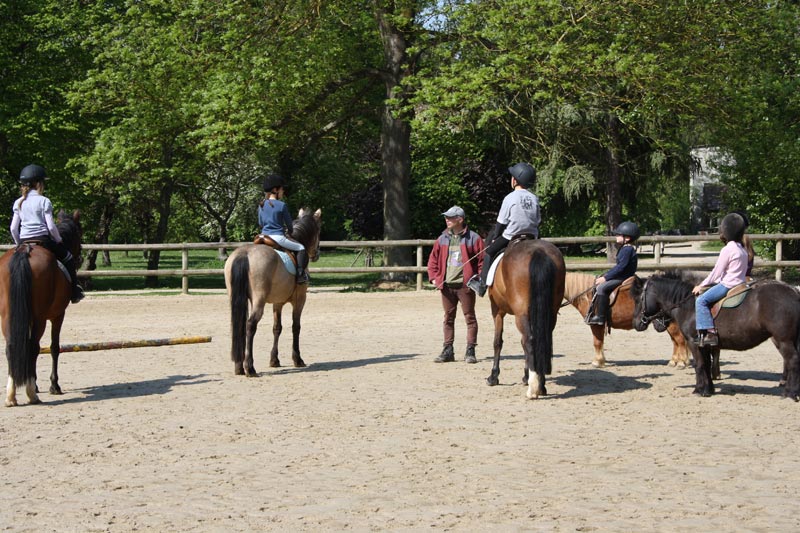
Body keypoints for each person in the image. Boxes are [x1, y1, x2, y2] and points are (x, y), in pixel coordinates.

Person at [10, 164, 83, 303]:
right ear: (38, 183)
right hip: (43, 240)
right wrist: (58, 239)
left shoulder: (18, 202)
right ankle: (75, 291)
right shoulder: (44, 201)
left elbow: (13, 228)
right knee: (68, 258)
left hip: (24, 240)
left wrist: (18, 243)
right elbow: (50, 226)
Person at [467, 162, 540, 297]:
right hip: (532, 236)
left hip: (511, 235)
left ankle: (482, 285)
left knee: (489, 251)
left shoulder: (510, 197)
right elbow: (537, 220)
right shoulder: (534, 198)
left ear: (515, 180)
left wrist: (496, 236)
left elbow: (501, 222)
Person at [427, 206, 485, 363]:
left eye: (451, 217)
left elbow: (482, 262)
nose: (447, 220)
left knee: (470, 317)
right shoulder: (442, 239)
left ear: (460, 219)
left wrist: (478, 279)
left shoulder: (474, 238)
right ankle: (448, 350)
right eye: (446, 217)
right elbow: (433, 260)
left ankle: (470, 351)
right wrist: (433, 277)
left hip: (465, 287)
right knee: (448, 318)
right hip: (446, 287)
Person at [691, 212, 749, 347]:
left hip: (728, 285)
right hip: (741, 283)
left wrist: (701, 285)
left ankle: (710, 334)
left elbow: (716, 273)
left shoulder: (727, 249)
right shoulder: (742, 249)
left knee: (701, 301)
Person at [257, 173, 309, 284]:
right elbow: (290, 226)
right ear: (275, 190)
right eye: (282, 189)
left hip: (262, 236)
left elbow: (260, 223)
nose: (283, 191)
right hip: (277, 237)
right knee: (301, 248)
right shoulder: (282, 205)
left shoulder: (261, 205)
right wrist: (290, 232)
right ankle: (300, 276)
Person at [585, 221, 639, 325]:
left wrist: (606, 278)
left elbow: (620, 267)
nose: (616, 236)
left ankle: (600, 317)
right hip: (622, 275)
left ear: (627, 238)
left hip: (624, 277)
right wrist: (606, 275)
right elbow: (618, 267)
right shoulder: (625, 248)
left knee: (601, 288)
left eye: (619, 235)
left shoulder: (627, 250)